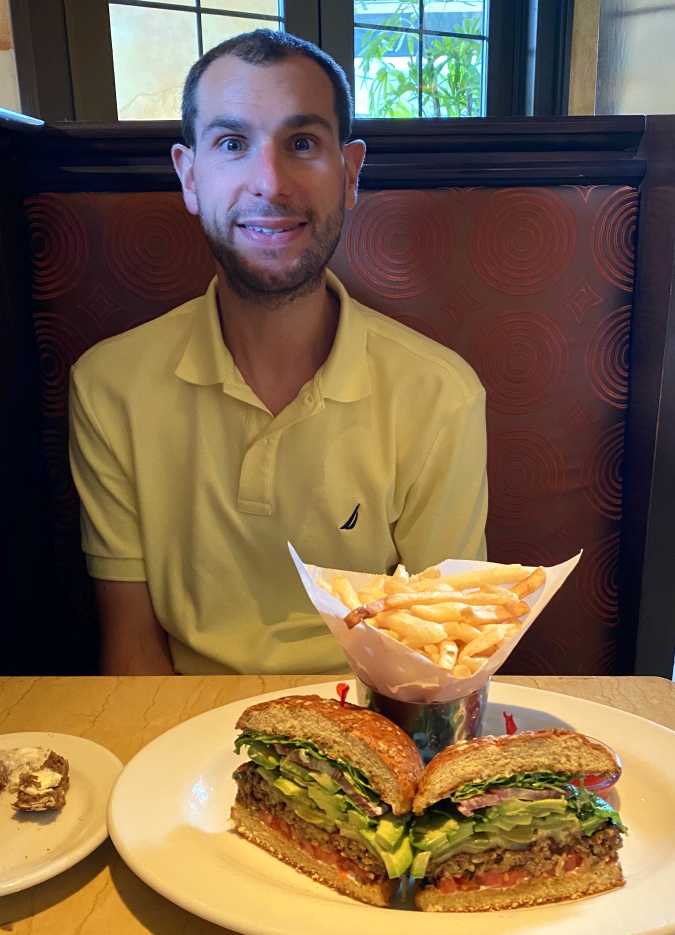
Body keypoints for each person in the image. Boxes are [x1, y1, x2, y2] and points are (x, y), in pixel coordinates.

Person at [69, 30, 488, 677]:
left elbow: (444, 656)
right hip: (180, 725)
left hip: (372, 716)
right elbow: (131, 647)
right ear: (189, 175)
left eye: (302, 144)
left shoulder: (438, 393)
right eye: (232, 144)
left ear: (349, 173)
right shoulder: (110, 385)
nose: (269, 182)